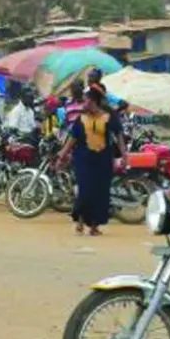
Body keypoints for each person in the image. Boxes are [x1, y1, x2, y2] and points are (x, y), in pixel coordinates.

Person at [58, 84, 121, 237]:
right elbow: (72, 139)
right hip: (83, 159)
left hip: (103, 159)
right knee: (85, 191)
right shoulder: (81, 118)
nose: (83, 103)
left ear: (94, 101)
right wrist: (62, 155)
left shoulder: (108, 117)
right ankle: (80, 221)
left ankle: (94, 226)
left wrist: (124, 156)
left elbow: (118, 136)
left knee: (100, 193)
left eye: (86, 100)